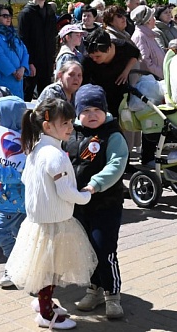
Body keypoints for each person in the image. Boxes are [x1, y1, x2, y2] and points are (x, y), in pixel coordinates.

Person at [5, 98, 98, 330]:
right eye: (64, 122)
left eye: (70, 121)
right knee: (50, 269)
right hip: (54, 223)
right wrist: (86, 194)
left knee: (45, 268)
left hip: (39, 222)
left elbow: (27, 179)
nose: (71, 127)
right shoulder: (55, 155)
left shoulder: (36, 150)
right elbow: (67, 191)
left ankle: (43, 303)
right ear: (48, 126)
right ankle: (46, 313)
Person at [66, 85, 128, 319]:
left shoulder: (112, 135)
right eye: (86, 110)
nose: (92, 115)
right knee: (88, 252)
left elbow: (116, 164)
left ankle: (113, 295)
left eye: (97, 109)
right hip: (78, 204)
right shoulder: (70, 133)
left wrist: (95, 184)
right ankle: (94, 288)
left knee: (105, 249)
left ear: (105, 110)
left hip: (105, 203)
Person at [0, 96, 28, 287]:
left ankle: (14, 267)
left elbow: (22, 174)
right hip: (8, 199)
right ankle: (26, 266)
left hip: (16, 201)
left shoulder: (26, 143)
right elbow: (0, 164)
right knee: (22, 235)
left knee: (0, 231)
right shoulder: (0, 137)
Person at [82, 29, 140, 117]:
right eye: (92, 56)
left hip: (120, 93)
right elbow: (83, 84)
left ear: (109, 49)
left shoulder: (122, 46)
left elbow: (136, 54)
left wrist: (126, 71)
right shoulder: (87, 60)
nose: (94, 59)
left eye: (98, 56)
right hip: (100, 97)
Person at [18, 0, 57, 101]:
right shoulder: (26, 13)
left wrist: (53, 58)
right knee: (27, 94)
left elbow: (52, 36)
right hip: (33, 61)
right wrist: (29, 62)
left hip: (47, 60)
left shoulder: (50, 11)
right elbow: (23, 40)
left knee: (46, 96)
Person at [0, 5, 30, 99]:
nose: (8, 18)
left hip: (18, 81)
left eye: (9, 15)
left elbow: (24, 50)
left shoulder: (12, 34)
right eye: (5, 16)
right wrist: (14, 72)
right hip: (3, 81)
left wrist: (23, 68)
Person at [130, 5, 166, 79]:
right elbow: (145, 63)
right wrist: (164, 74)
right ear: (148, 20)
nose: (155, 19)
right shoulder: (140, 36)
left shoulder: (148, 34)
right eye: (153, 16)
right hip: (153, 81)